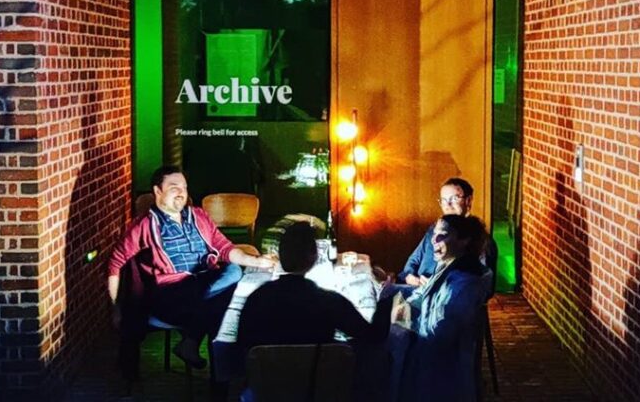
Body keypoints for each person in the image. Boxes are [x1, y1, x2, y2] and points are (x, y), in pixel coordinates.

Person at [107, 165, 277, 369]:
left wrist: (258, 261)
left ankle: (194, 345)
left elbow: (224, 248)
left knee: (233, 272)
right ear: (157, 191)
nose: (181, 193)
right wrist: (116, 307)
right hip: (171, 295)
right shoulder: (143, 225)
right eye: (174, 187)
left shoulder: (199, 216)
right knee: (227, 302)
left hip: (200, 290)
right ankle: (224, 364)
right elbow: (116, 262)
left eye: (184, 188)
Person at [237, 222, 393, 352]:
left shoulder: (257, 298)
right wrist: (385, 297)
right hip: (317, 385)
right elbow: (373, 336)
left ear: (280, 257)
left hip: (266, 386)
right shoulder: (329, 302)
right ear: (314, 256)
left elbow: (243, 348)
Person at [391, 214, 491, 402]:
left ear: (464, 241)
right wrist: (392, 297)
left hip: (439, 366)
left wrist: (399, 319)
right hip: (431, 352)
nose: (434, 240)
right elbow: (419, 297)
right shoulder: (448, 265)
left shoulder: (462, 283)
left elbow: (442, 332)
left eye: (442, 235)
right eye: (434, 234)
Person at [398, 177, 492, 286]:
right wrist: (410, 277)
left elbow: (482, 282)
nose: (448, 205)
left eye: (454, 199)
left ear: (468, 201)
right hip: (416, 288)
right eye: (443, 200)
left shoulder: (477, 237)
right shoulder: (433, 230)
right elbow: (413, 260)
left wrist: (439, 287)